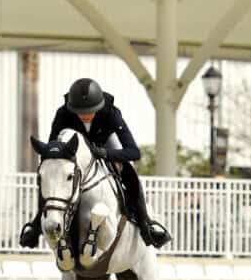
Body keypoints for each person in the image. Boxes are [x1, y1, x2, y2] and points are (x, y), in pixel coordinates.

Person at [20, 78, 171, 249]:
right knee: (51, 175)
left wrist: (106, 154)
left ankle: (146, 224)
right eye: (80, 112)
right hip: (75, 152)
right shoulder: (63, 114)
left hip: (105, 144)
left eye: (90, 111)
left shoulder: (111, 113)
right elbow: (52, 150)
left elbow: (133, 152)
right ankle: (36, 224)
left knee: (128, 170)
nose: (84, 115)